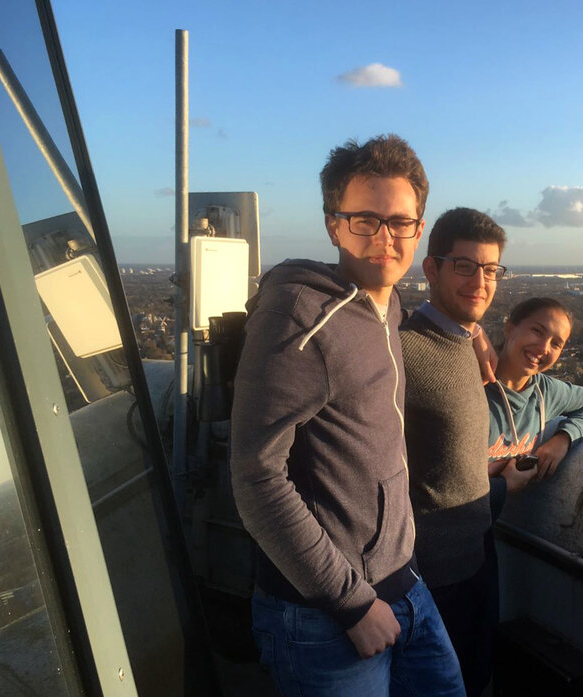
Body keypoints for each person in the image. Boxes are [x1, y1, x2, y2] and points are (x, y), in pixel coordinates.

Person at [230, 135, 465, 697]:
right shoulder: (300, 317)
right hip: (323, 612)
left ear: (418, 228)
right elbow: (257, 478)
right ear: (334, 226)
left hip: (403, 583)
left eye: (400, 222)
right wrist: (351, 604)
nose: (385, 237)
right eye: (365, 220)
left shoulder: (388, 306)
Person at [401, 208, 534, 697]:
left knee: (479, 681)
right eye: (465, 266)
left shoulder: (466, 343)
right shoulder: (402, 349)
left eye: (491, 269)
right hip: (425, 581)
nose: (481, 281)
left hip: (476, 556)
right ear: (431, 269)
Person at [487, 297, 583, 480]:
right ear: (509, 328)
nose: (543, 347)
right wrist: (502, 487)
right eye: (537, 331)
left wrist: (563, 439)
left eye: (556, 344)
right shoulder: (470, 383)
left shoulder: (545, 392)